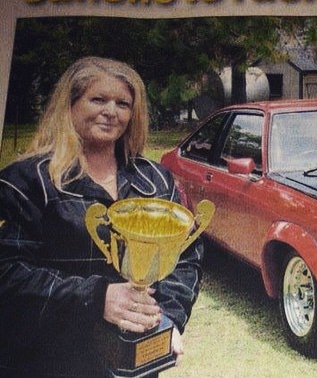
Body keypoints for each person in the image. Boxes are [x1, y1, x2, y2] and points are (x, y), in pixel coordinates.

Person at [0, 57, 203, 377]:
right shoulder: (24, 182)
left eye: (123, 103)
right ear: (69, 105)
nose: (111, 111)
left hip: (133, 366)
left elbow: (187, 255)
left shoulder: (155, 179)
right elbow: (7, 272)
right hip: (47, 360)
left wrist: (170, 321)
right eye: (98, 99)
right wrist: (97, 297)